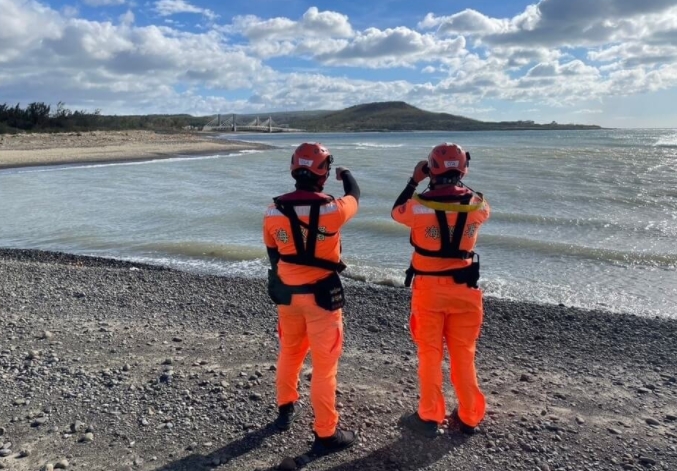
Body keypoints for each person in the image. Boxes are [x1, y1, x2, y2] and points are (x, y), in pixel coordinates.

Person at [263, 142, 360, 453]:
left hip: (288, 297)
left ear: (294, 168)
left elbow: (274, 256)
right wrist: (346, 174)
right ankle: (325, 434)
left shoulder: (273, 211)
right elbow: (355, 195)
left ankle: (284, 411)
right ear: (324, 171)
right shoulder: (334, 210)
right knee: (324, 367)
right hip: (322, 300)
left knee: (290, 353)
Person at [391, 142, 490, 438]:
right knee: (464, 355)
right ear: (464, 169)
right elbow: (469, 195)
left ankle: (430, 415)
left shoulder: (417, 207)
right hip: (465, 291)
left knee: (430, 355)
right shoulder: (479, 206)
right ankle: (470, 416)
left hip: (429, 291)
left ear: (430, 168)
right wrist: (454, 178)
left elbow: (396, 212)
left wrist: (414, 180)